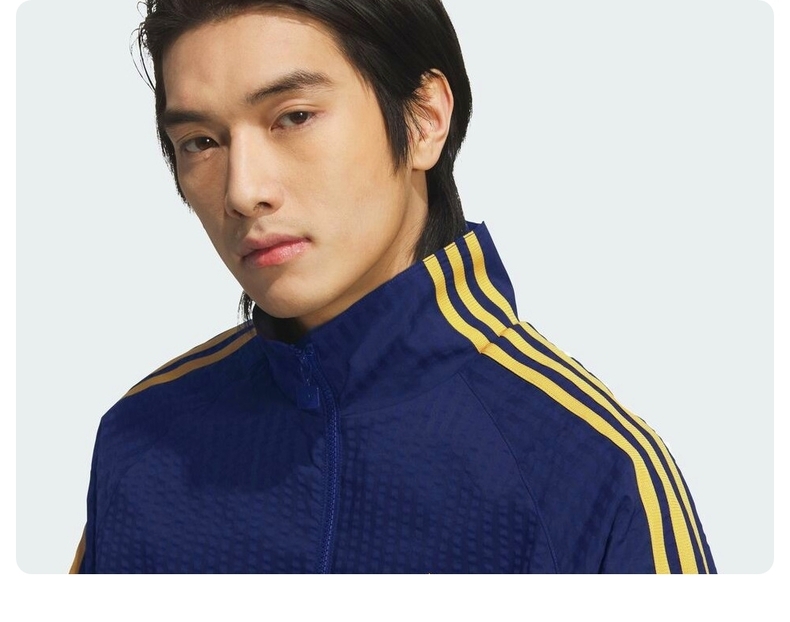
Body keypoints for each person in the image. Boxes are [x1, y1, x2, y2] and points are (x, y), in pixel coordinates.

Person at [71, 0, 716, 574]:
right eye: (201, 142)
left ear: (424, 119)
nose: (243, 190)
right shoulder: (143, 442)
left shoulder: (590, 469)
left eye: (293, 117)